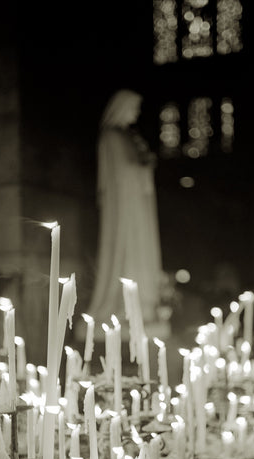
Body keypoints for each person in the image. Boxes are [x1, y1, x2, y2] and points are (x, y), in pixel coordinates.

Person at [88, 89, 163, 324]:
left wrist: (145, 166)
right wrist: (143, 166)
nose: (137, 112)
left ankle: (142, 303)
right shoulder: (111, 136)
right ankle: (123, 305)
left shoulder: (128, 136)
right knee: (128, 251)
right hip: (124, 208)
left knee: (141, 250)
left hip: (137, 207)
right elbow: (118, 174)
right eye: (134, 107)